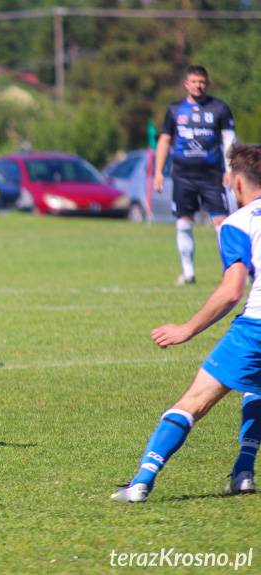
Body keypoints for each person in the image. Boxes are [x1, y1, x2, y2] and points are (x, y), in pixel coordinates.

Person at [111, 142, 261, 503]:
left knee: (193, 401)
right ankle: (243, 473)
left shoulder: (239, 222)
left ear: (237, 183)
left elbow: (231, 291)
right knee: (255, 387)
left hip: (255, 328)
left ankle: (140, 483)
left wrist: (187, 328)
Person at [154, 65, 236, 286]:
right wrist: (158, 172)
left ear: (207, 84)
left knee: (221, 222)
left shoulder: (219, 108)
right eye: (194, 81)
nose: (198, 85)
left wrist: (230, 168)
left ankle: (230, 270)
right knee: (183, 222)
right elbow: (164, 140)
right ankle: (188, 273)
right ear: (186, 84)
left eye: (202, 82)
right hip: (182, 175)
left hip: (211, 175)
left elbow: (229, 138)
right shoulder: (174, 110)